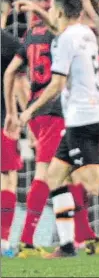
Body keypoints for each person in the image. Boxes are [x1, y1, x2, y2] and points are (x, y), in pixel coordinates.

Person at [17, 0, 99, 258]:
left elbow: (38, 80)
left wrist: (26, 111)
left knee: (81, 180)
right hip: (83, 113)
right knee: (61, 176)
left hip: (72, 115)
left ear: (57, 11)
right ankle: (64, 244)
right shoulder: (84, 34)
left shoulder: (59, 38)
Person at [1, 29, 28, 257]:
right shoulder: (10, 43)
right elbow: (19, 84)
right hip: (3, 123)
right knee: (8, 180)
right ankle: (3, 240)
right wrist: (24, 115)